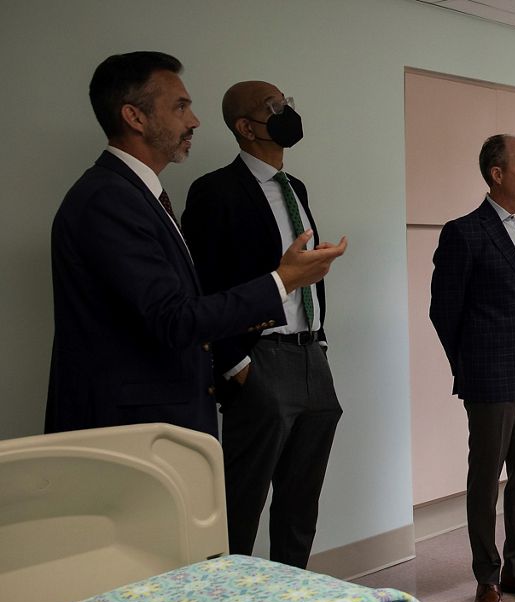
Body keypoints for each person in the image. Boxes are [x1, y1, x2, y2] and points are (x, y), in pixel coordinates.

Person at [46, 52, 345, 438]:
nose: (194, 121)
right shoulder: (109, 200)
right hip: (130, 431)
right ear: (135, 117)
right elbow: (175, 318)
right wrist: (281, 282)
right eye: (180, 107)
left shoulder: (139, 195)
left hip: (161, 421)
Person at [182, 81, 344, 568]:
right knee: (242, 506)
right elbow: (203, 287)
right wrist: (235, 365)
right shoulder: (214, 191)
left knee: (301, 505)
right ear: (245, 127)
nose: (286, 112)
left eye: (287, 103)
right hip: (261, 360)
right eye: (274, 107)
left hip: (311, 355)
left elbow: (294, 271)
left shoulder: (296, 189)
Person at [430, 134, 515, 602]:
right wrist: (469, 367)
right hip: (489, 377)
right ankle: (486, 577)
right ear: (496, 174)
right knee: (485, 480)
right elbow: (444, 311)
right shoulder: (464, 232)